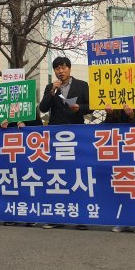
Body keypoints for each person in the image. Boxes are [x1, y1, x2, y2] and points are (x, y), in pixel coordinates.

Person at [39, 56, 91, 229]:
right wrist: (51, 91)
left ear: (69, 68)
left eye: (63, 68)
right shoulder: (50, 86)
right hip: (56, 136)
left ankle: (80, 217)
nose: (60, 71)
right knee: (58, 175)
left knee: (78, 175)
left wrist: (80, 108)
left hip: (77, 135)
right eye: (57, 68)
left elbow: (91, 105)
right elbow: (44, 108)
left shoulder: (82, 85)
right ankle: (57, 216)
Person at [106, 103, 135, 234]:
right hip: (119, 145)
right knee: (122, 183)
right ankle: (124, 220)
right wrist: (110, 113)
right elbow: (107, 125)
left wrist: (133, 115)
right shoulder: (114, 99)